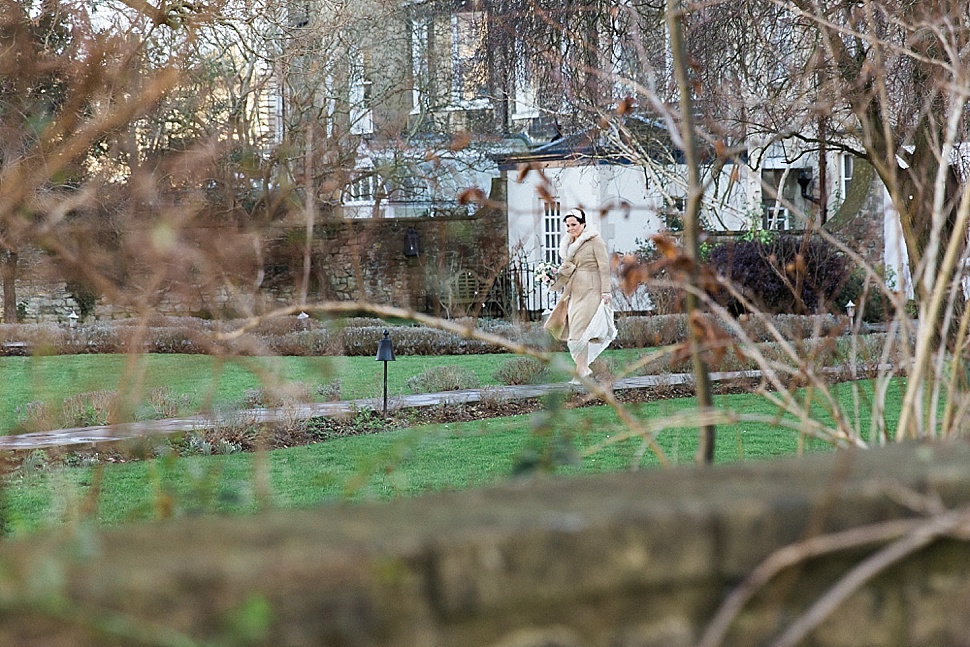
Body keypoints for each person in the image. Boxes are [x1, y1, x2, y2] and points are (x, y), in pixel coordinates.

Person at [546, 207, 617, 383]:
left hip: (591, 290)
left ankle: (581, 370)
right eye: (568, 225)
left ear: (583, 224)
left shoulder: (595, 240)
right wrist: (552, 276)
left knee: (578, 330)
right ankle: (583, 369)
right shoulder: (568, 243)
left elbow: (604, 267)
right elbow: (569, 268)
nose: (570, 228)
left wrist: (606, 291)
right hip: (573, 291)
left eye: (574, 224)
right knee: (572, 330)